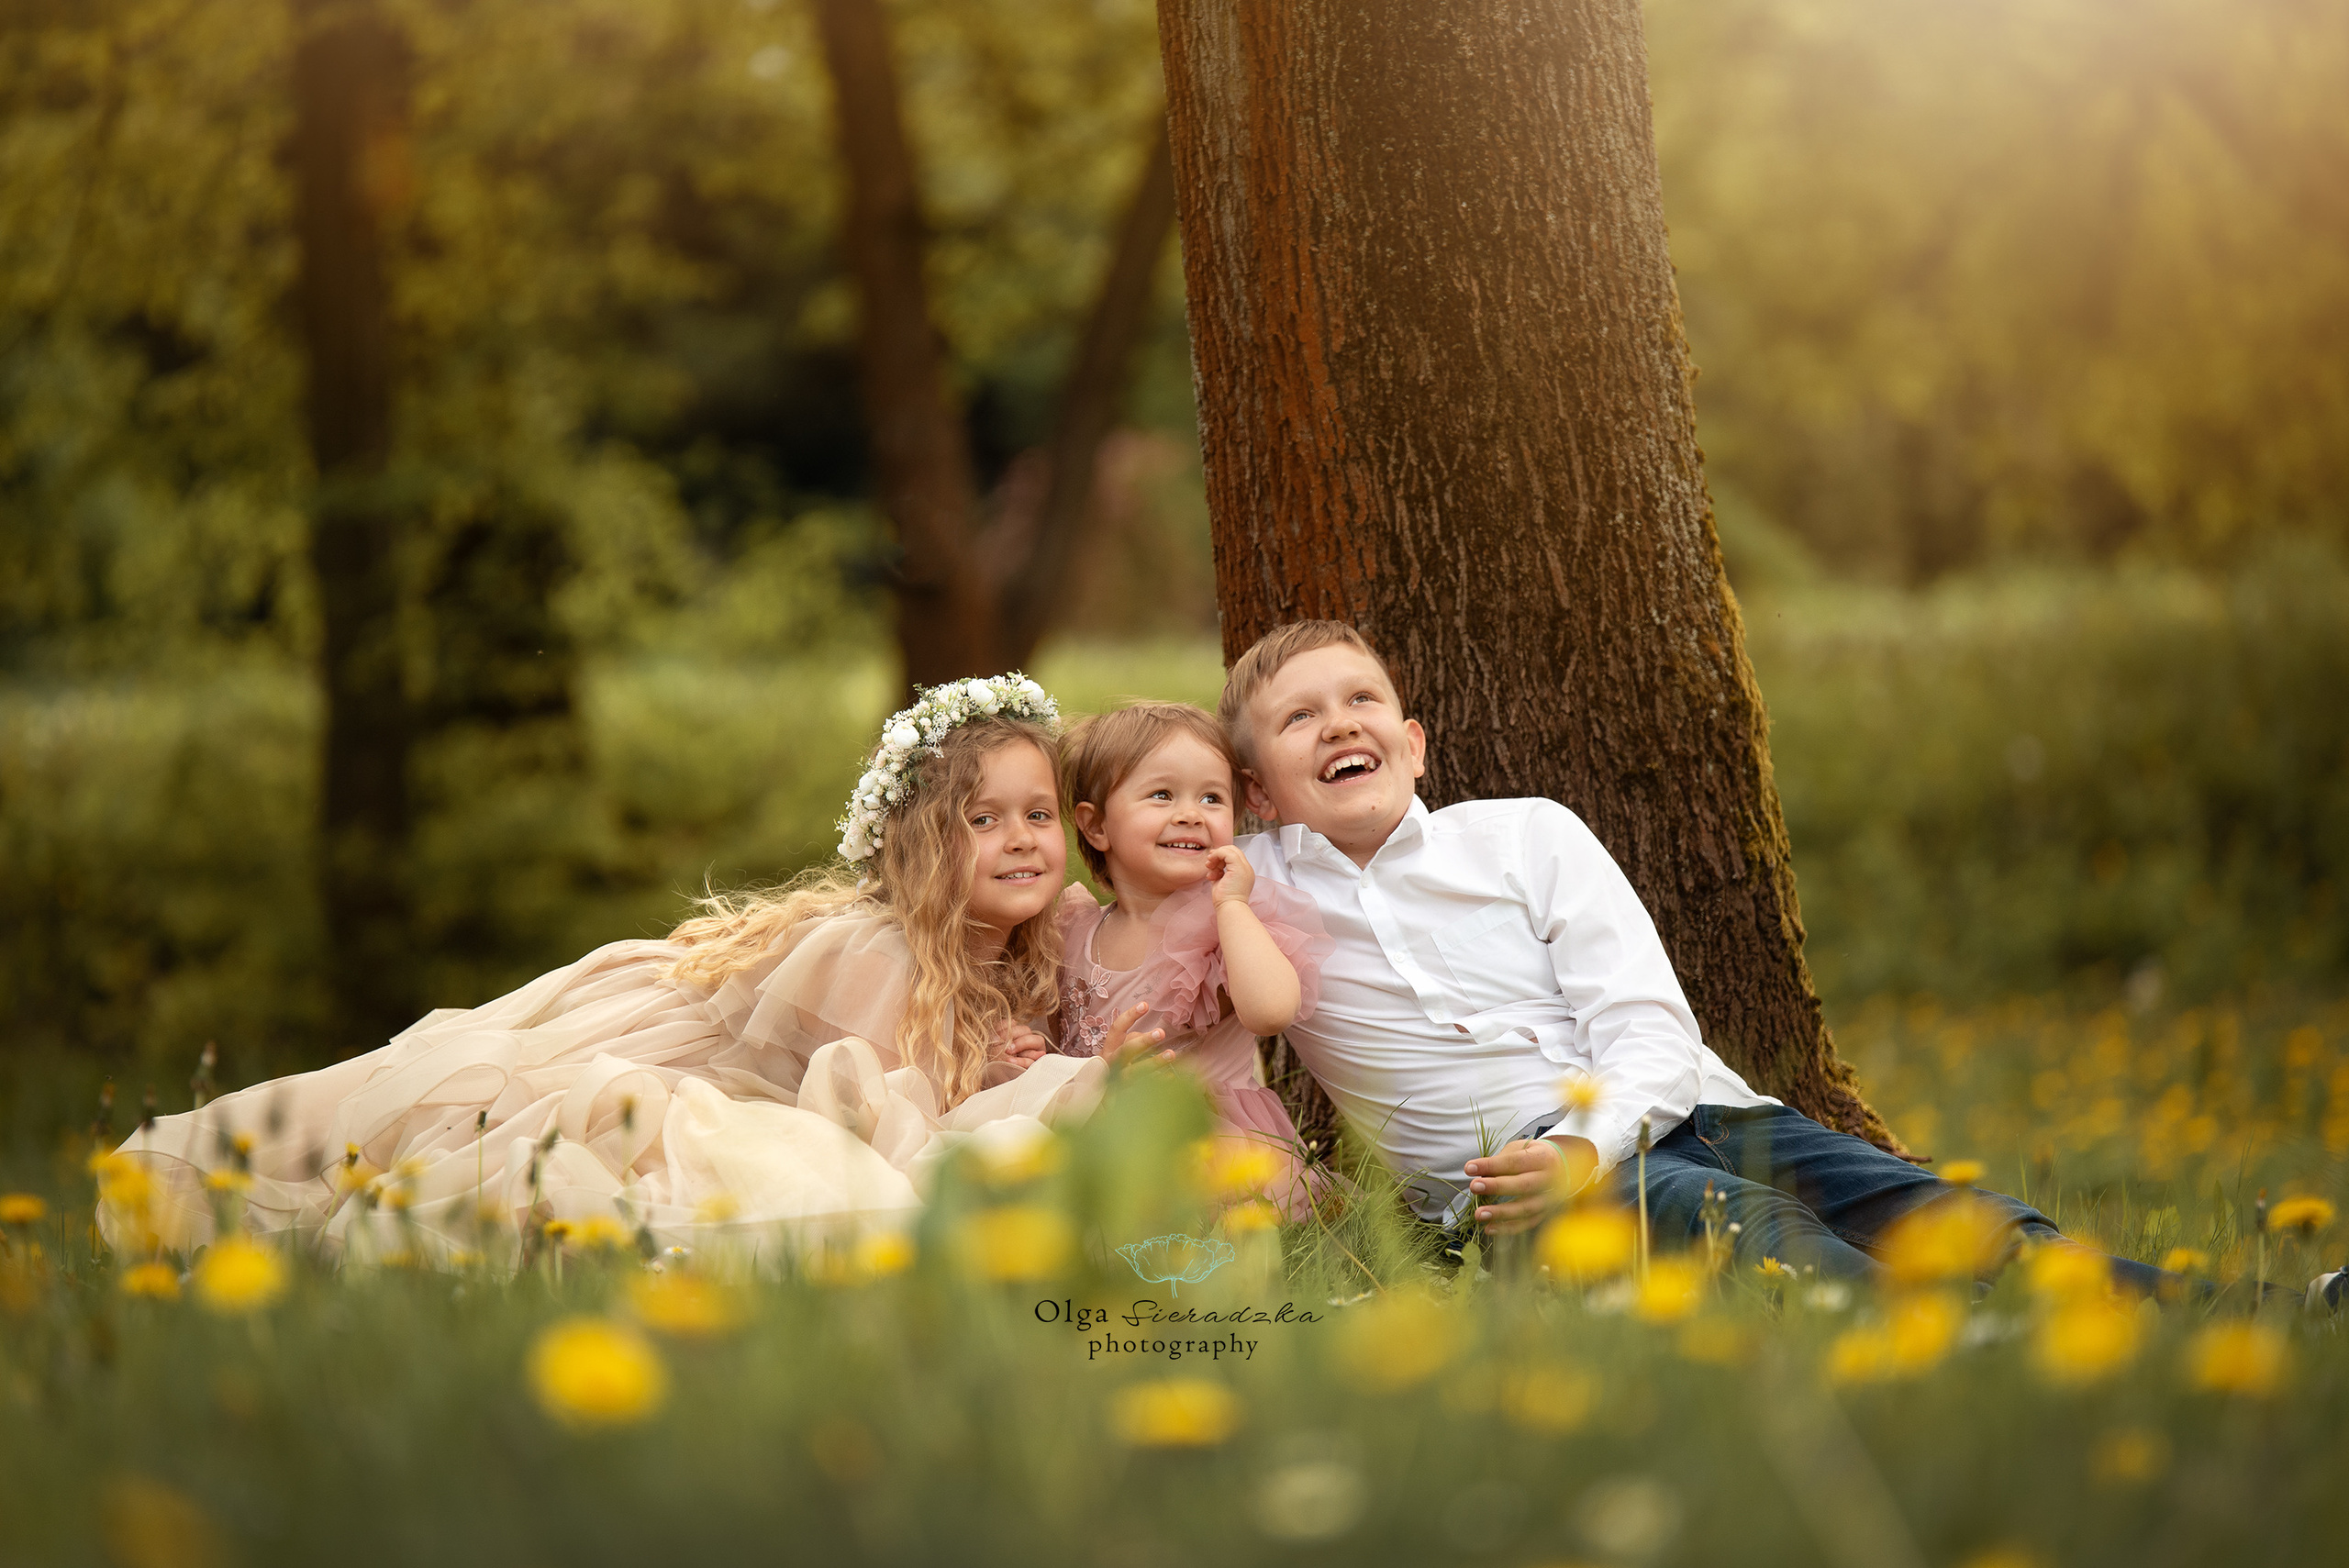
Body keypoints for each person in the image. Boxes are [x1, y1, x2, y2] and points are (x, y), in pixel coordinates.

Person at [1220, 620, 2182, 1295]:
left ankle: (2279, 1305)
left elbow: (1646, 1026)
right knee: (1757, 1234)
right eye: (1300, 716)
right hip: (1517, 1187)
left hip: (1694, 1111)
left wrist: (1583, 1144)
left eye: (1360, 698)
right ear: (1257, 790)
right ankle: (1985, 1341)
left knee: (1947, 1214)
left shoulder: (1525, 835)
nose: (1340, 721)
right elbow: (1113, 857)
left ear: (1414, 742)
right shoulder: (1246, 887)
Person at [100, 674, 1114, 1267]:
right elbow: (883, 1121)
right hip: (688, 1061)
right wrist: (983, 1074)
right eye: (983, 820)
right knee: (541, 1138)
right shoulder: (880, 955)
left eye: (1035, 815)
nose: (1021, 840)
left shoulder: (1033, 934)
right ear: (922, 845)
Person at [1052, 702, 1332, 1218]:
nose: (1190, 813)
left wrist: (1232, 906)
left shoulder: (1225, 924)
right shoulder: (1073, 928)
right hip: (1099, 1128)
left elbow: (1271, 1011)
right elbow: (1054, 1034)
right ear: (1095, 827)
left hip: (1210, 1138)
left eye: (1212, 797)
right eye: (1162, 795)